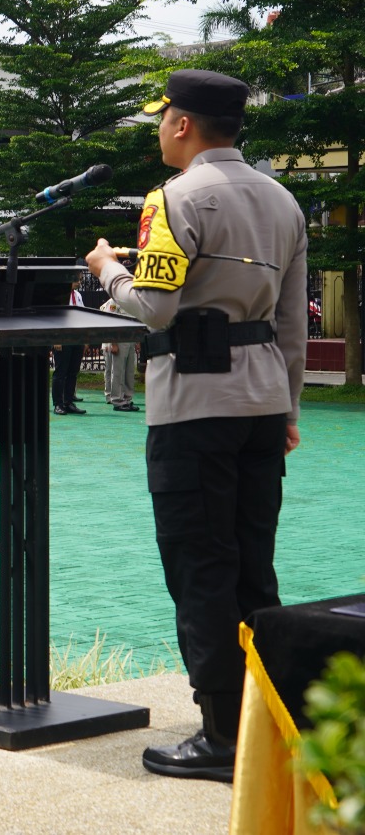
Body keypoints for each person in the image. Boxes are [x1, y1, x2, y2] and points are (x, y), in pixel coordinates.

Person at [85, 68, 307, 783]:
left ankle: (218, 734)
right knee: (252, 562)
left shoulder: (175, 198)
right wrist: (290, 408)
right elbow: (292, 324)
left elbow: (152, 308)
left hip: (195, 403)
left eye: (162, 118)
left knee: (199, 565)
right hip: (263, 401)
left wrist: (106, 271)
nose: (159, 129)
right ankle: (263, 720)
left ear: (182, 124)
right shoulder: (282, 200)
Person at [51, 280, 87, 415]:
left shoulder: (77, 295)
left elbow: (82, 315)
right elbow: (54, 317)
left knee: (73, 372)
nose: (79, 282)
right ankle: (58, 404)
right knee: (60, 373)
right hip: (63, 337)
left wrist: (84, 338)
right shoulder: (59, 296)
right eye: (76, 279)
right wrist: (56, 338)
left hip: (76, 337)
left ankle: (68, 402)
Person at [101, 294, 140, 412]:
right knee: (118, 371)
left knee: (129, 371)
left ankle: (127, 399)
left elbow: (136, 322)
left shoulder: (132, 302)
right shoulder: (114, 302)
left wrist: (137, 340)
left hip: (130, 340)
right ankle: (117, 400)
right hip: (119, 341)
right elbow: (110, 323)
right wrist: (113, 343)